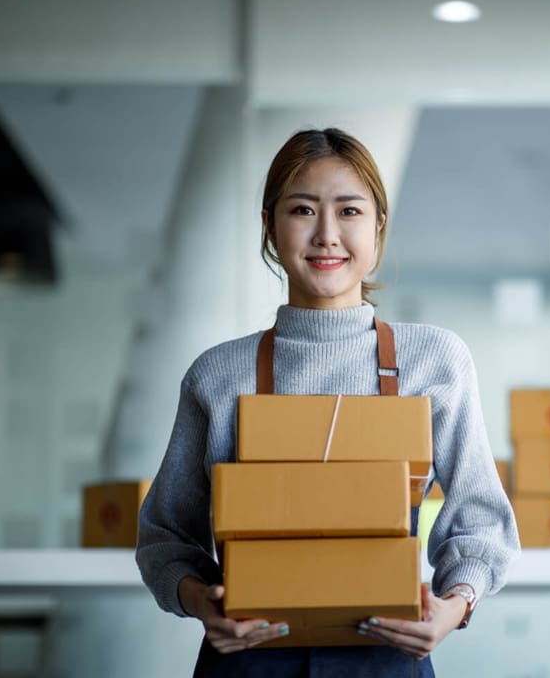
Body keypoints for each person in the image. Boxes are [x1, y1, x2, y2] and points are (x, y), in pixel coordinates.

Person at [136, 127, 521, 677]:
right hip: (247, 662)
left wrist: (454, 607)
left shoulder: (435, 361)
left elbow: (481, 520)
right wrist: (202, 604)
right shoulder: (219, 374)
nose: (326, 235)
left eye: (349, 211)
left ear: (378, 227)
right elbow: (165, 536)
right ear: (269, 226)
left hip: (388, 658)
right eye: (302, 210)